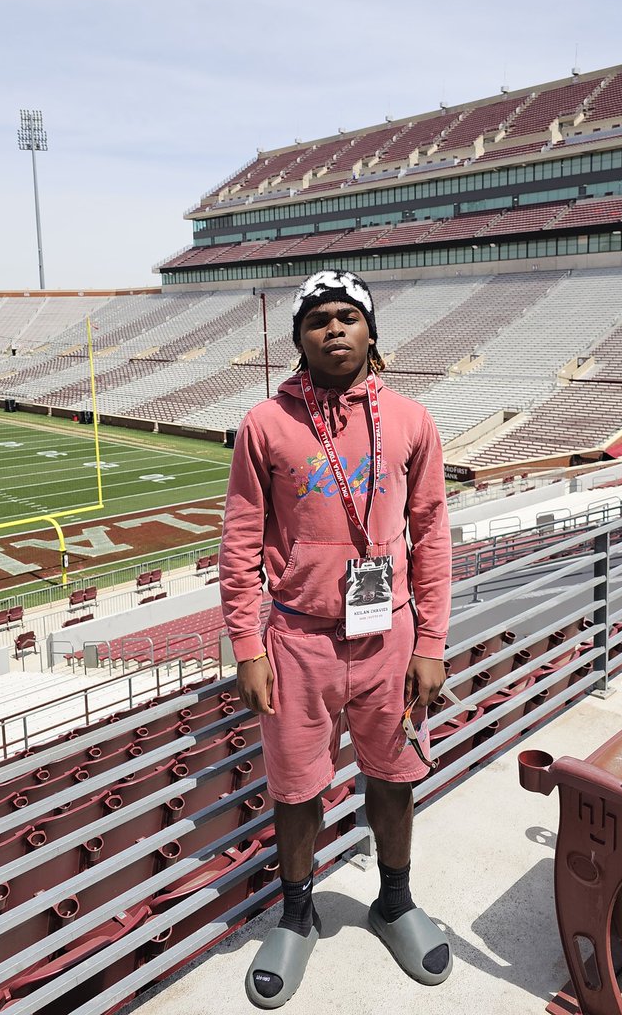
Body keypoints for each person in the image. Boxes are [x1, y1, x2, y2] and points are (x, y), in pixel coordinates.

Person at [219, 269, 453, 1008]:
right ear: (299, 339)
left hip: (389, 640)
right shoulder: (265, 423)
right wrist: (247, 648)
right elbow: (239, 542)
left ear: (371, 330)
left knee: (394, 779)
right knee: (295, 789)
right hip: (297, 641)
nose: (334, 329)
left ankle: (394, 900)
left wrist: (432, 641)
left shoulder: (412, 419)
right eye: (317, 319)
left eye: (348, 316)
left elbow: (433, 536)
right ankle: (296, 914)